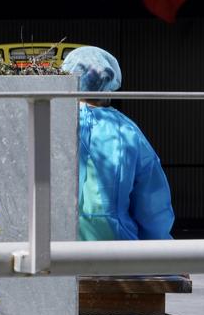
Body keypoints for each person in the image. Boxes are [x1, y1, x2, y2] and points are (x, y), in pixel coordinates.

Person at [61, 46, 175, 241]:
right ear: (109, 83)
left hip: (55, 252)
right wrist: (166, 258)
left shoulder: (51, 123)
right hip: (118, 253)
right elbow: (153, 208)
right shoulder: (127, 130)